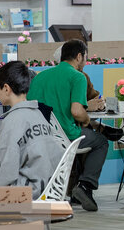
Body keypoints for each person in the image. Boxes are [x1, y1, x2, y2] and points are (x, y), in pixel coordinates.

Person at [28, 39, 108, 212]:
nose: (86, 62)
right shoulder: (77, 77)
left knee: (86, 137)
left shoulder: (40, 77)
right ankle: (85, 186)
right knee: (101, 141)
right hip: (67, 137)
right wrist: (86, 120)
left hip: (40, 136)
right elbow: (77, 111)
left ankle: (77, 190)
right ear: (79, 56)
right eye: (86, 57)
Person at [0, 61, 65, 195]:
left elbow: (3, 171)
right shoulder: (39, 115)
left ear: (6, 88)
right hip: (49, 190)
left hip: (26, 193)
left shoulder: (13, 120)